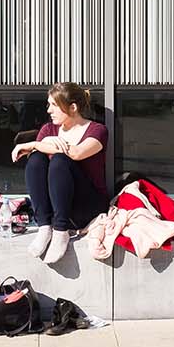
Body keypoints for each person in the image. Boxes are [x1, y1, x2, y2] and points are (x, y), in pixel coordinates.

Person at [12, 82, 109, 263]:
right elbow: (37, 166)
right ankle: (44, 227)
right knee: (36, 159)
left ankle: (60, 231)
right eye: (49, 104)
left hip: (86, 207)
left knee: (60, 160)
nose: (49, 110)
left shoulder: (98, 130)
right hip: (57, 207)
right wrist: (44, 142)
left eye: (54, 105)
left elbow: (77, 153)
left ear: (72, 107)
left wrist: (33, 144)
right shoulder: (48, 130)